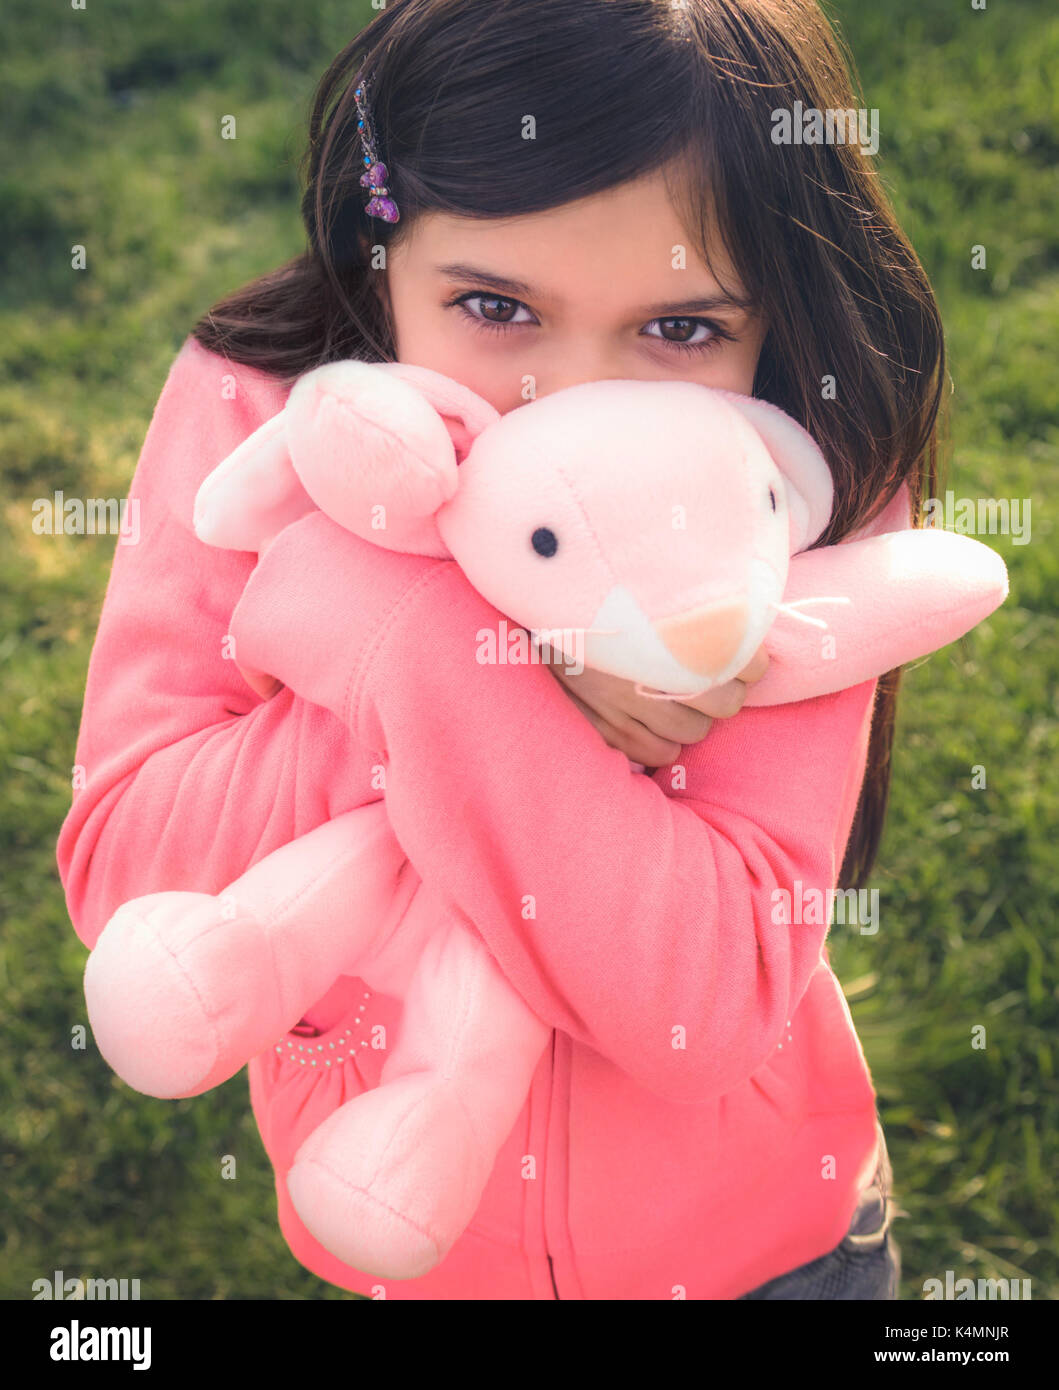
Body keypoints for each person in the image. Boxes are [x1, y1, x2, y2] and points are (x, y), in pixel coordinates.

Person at [56, 0, 934, 1299]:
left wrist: (431, 675)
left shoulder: (797, 484)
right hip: (402, 1233)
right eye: (492, 305)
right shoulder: (257, 415)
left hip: (761, 1252)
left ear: (771, 324)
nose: (571, 403)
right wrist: (430, 643)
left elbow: (707, 1002)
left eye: (681, 327)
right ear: (379, 255)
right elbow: (123, 872)